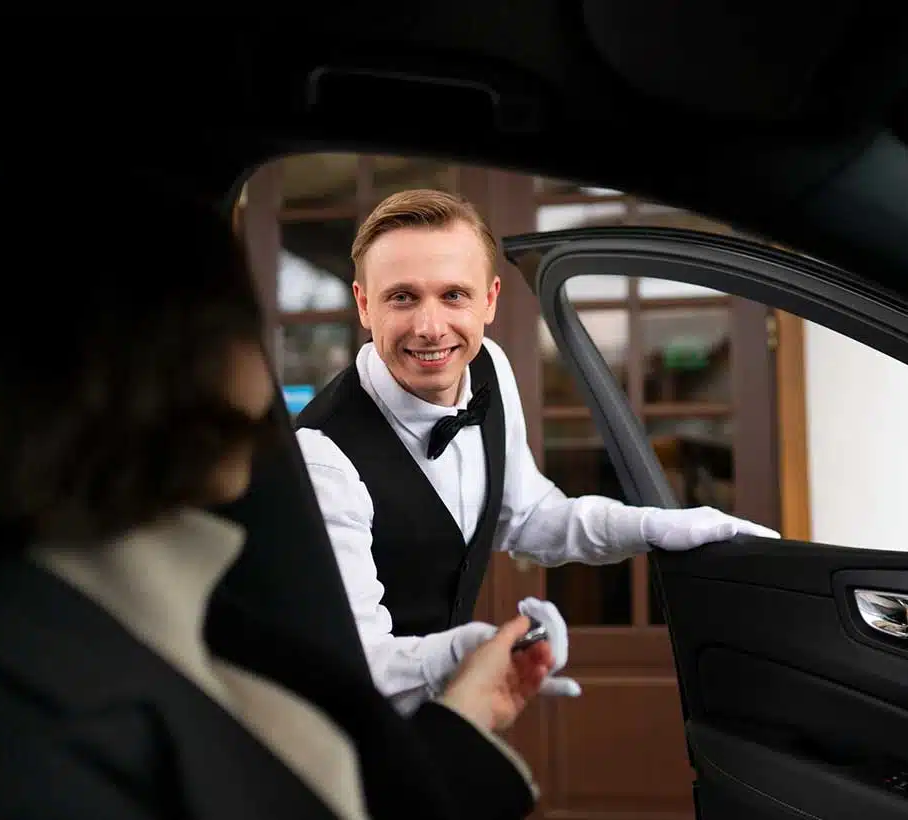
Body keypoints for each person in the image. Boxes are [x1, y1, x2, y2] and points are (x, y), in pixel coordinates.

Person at [0, 165, 551, 820]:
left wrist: (461, 719)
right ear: (174, 367)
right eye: (246, 324)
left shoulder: (162, 607)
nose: (266, 373)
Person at [295, 189, 781, 711]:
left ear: (491, 299)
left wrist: (652, 528)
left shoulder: (490, 369)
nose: (430, 327)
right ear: (365, 305)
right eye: (402, 297)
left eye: (454, 295)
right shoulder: (322, 455)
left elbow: (527, 517)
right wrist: (473, 649)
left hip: (446, 713)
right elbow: (359, 661)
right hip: (342, 730)